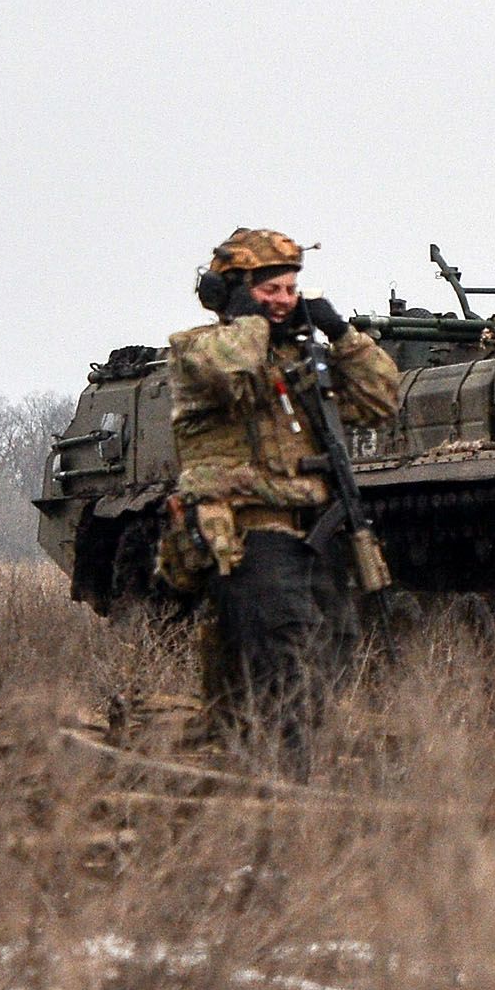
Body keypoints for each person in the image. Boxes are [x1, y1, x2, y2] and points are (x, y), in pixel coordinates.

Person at [160, 227, 403, 748]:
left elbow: (381, 401)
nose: (284, 302)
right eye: (270, 290)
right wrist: (246, 313)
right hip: (251, 532)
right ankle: (287, 771)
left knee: (336, 646)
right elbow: (233, 366)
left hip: (315, 532)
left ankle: (273, 753)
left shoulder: (302, 360)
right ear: (232, 291)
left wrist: (343, 337)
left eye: (291, 291)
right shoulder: (195, 350)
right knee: (286, 654)